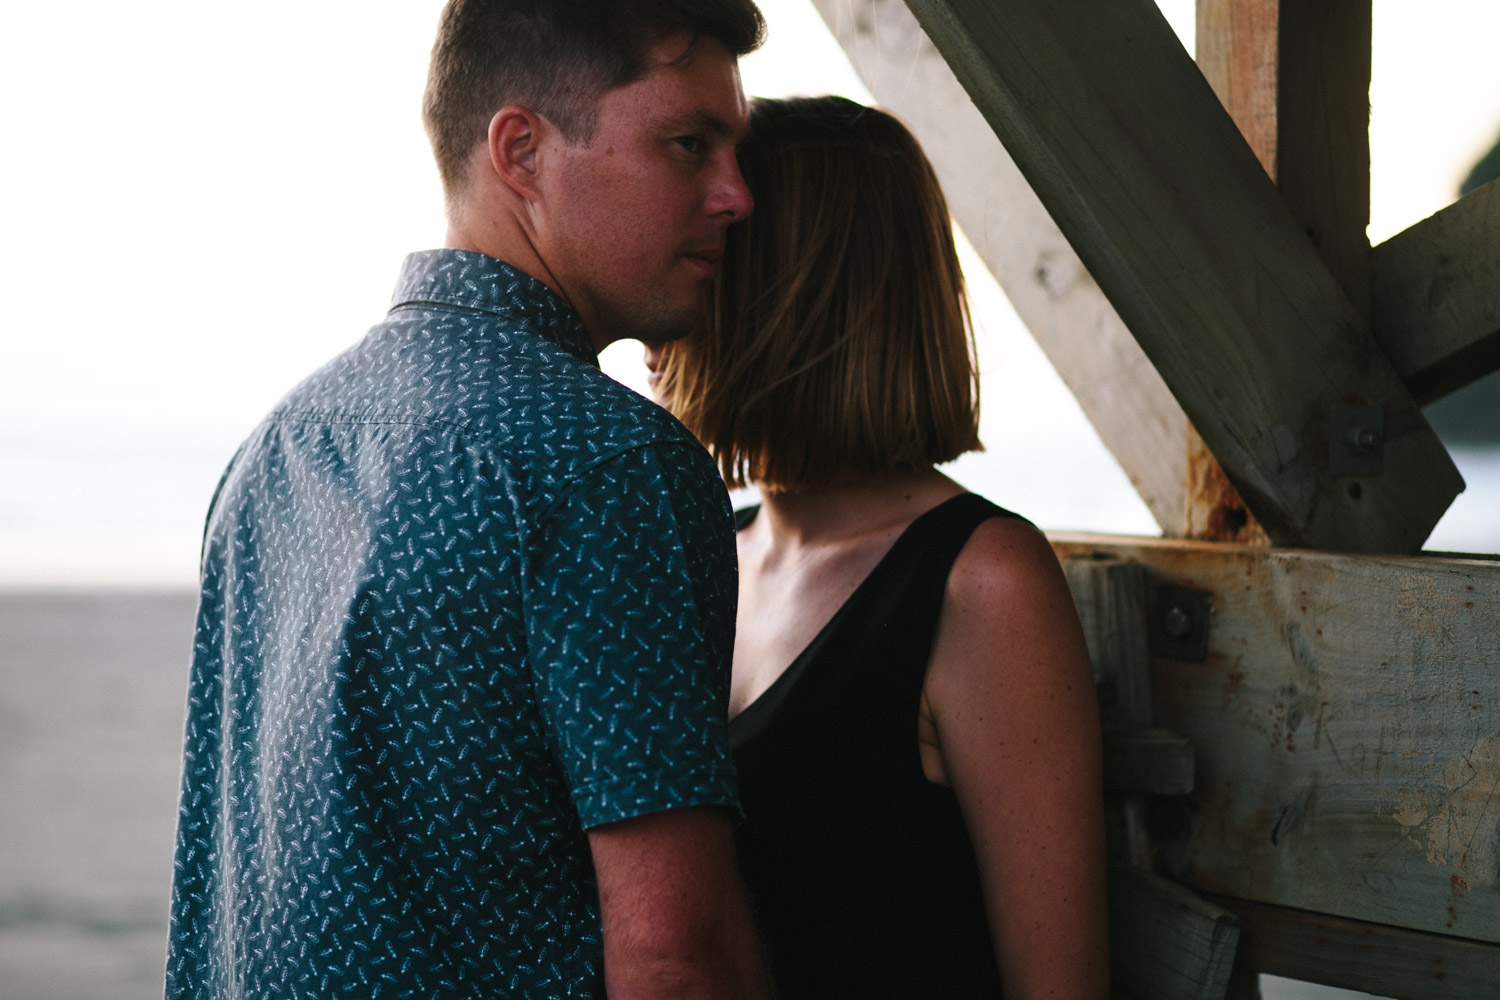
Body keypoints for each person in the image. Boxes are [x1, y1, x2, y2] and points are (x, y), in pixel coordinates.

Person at [165, 3, 773, 998]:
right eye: (688, 144)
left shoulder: (275, 447)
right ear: (522, 151)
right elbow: (675, 951)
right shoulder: (608, 461)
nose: (736, 194)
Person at [647, 96, 1110, 999]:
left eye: (704, 256)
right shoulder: (714, 551)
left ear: (785, 296)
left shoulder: (982, 583)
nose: (663, 292)